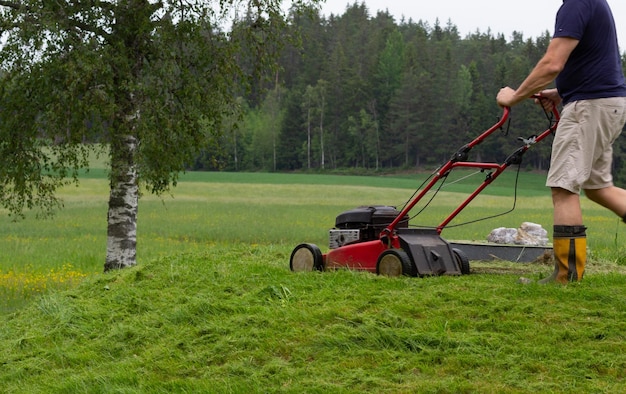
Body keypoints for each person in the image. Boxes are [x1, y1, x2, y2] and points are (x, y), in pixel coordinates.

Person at [496, 0, 626, 284]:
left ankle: (566, 277)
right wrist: (561, 91)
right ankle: (568, 274)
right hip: (607, 103)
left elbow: (552, 62)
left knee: (564, 188)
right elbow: (594, 59)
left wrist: (514, 96)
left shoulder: (577, 3)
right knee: (599, 188)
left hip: (589, 107)